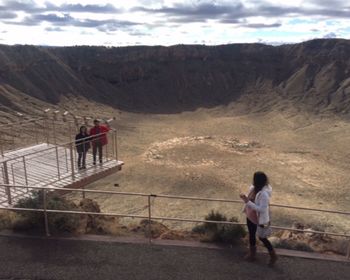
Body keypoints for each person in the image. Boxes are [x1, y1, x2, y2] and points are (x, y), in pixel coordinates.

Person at [240, 171, 277, 266]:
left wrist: (247, 201)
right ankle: (252, 254)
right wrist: (246, 200)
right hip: (250, 216)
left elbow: (262, 209)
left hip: (258, 219)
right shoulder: (253, 188)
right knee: (251, 235)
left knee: (262, 238)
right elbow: (251, 200)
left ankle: (273, 256)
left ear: (257, 181)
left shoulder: (264, 194)